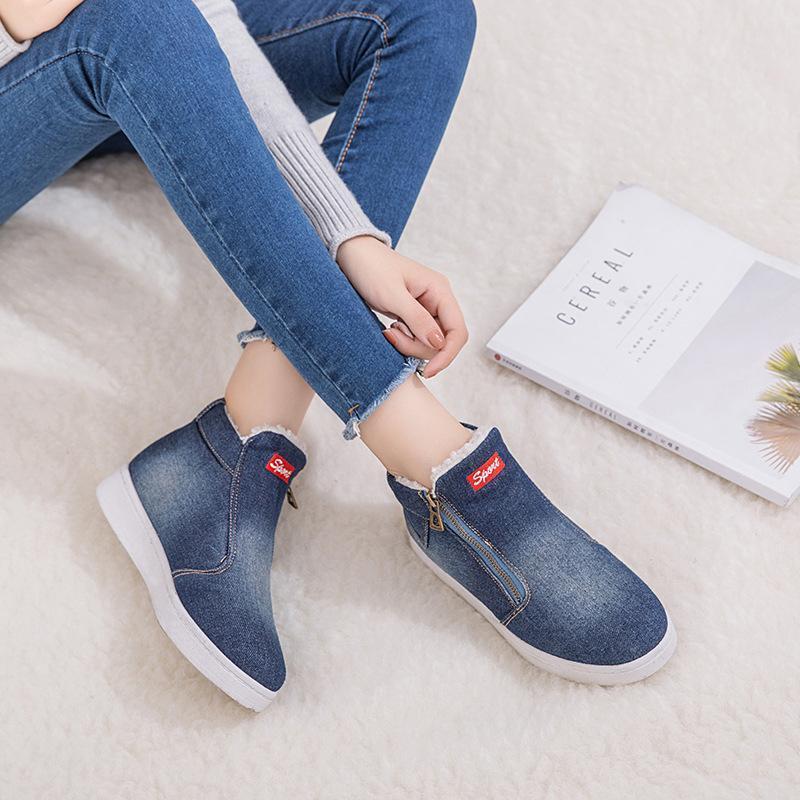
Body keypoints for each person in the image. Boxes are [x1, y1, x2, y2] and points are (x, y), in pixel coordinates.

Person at [0, 0, 676, 710]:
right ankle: (429, 452)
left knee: (422, 14)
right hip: (74, 61)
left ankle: (245, 429)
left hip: (107, 53)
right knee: (140, 26)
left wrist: (349, 235)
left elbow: (198, 14)